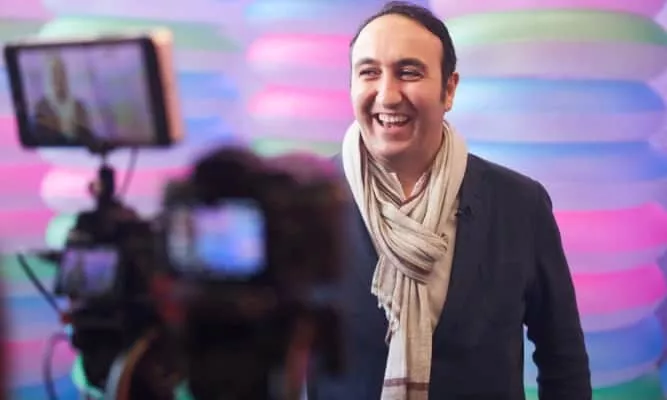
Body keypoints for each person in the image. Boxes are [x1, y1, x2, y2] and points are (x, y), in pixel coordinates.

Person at [307, 2, 592, 399]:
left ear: (449, 89)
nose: (388, 95)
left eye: (409, 72)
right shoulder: (311, 201)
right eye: (369, 72)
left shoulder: (519, 204)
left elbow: (563, 360)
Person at [33, 54, 95, 145]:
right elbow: (40, 139)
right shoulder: (42, 108)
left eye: (61, 74)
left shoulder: (79, 107)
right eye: (55, 75)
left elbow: (89, 138)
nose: (59, 80)